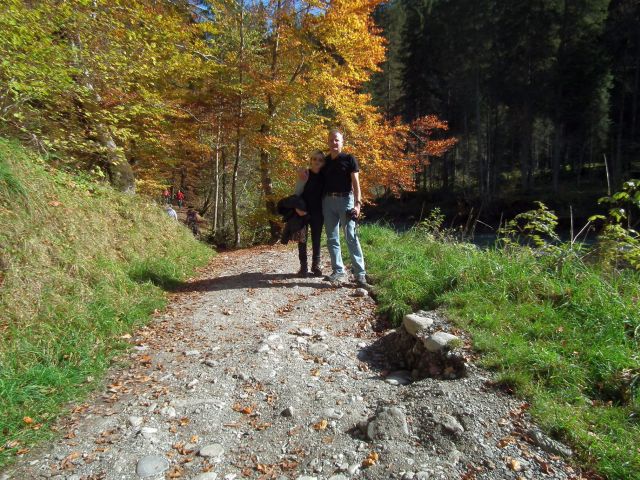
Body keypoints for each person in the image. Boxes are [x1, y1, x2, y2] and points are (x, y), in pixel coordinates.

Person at [322, 129, 368, 288]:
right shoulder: (325, 161)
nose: (334, 143)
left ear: (342, 142)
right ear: (328, 142)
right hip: (328, 202)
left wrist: (357, 204)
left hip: (346, 200)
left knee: (351, 235)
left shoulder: (349, 159)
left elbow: (356, 184)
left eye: (337, 140)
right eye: (331, 140)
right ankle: (338, 271)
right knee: (332, 238)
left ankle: (360, 274)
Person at [294, 150, 326, 277]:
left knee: (316, 238)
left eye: (320, 160)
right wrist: (297, 208)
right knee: (302, 238)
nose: (317, 162)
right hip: (303, 210)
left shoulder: (325, 176)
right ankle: (303, 266)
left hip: (318, 211)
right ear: (310, 160)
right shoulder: (305, 173)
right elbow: (297, 192)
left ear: (323, 162)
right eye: (314, 159)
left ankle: (316, 265)